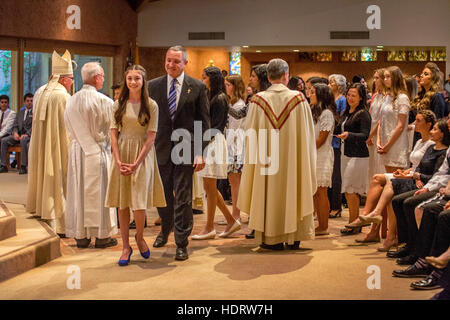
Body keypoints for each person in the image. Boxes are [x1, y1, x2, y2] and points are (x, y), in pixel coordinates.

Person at [237, 58, 316, 250]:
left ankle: (271, 237)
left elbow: (250, 137)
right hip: (293, 160)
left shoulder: (257, 101)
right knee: (294, 185)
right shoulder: (298, 99)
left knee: (267, 190)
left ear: (269, 76)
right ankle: (294, 235)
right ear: (285, 76)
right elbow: (307, 136)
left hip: (266, 163)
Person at [148, 45, 210, 261]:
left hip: (186, 149)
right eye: (168, 60)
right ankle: (166, 229)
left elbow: (203, 122)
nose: (171, 65)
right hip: (160, 149)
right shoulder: (152, 86)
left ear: (185, 63)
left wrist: (200, 152)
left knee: (183, 197)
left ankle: (181, 242)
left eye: (176, 61)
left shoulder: (198, 87)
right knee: (162, 195)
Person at [105, 65, 166, 266]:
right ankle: (125, 246)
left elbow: (151, 138)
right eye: (130, 78)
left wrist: (137, 163)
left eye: (137, 79)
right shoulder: (118, 104)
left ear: (143, 81)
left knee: (138, 204)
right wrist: (118, 158)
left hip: (142, 155)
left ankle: (139, 237)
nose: (133, 82)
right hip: (121, 153)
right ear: (126, 81)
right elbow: (113, 133)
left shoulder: (151, 105)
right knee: (122, 203)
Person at [346, 110, 437, 242]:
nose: (414, 123)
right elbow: (415, 165)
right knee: (376, 178)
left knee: (388, 185)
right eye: (415, 120)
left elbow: (425, 169)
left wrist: (409, 175)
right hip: (411, 174)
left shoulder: (431, 144)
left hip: (417, 179)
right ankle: (369, 216)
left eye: (418, 121)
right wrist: (404, 172)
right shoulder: (419, 142)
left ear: (428, 125)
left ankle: (376, 221)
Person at [64, 62, 118, 249]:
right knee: (101, 193)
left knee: (78, 191)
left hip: (78, 152)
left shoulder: (70, 100)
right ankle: (102, 237)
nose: (103, 78)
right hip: (98, 152)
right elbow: (112, 130)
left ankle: (81, 236)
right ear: (97, 78)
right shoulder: (105, 101)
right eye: (102, 75)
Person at [26, 50, 74, 236]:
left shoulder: (40, 91)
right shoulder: (63, 96)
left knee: (44, 174)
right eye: (70, 78)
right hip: (57, 147)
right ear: (63, 79)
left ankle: (44, 212)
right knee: (58, 178)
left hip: (41, 146)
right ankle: (59, 222)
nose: (72, 82)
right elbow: (67, 128)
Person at [192, 67, 240, 240]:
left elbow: (215, 126)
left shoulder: (219, 98)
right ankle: (229, 221)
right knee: (208, 187)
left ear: (212, 79)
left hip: (213, 141)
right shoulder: (211, 96)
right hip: (209, 141)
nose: (201, 80)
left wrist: (201, 148)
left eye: (204, 77)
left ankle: (210, 227)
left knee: (210, 187)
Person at [336, 83, 371, 235]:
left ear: (361, 97)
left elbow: (365, 135)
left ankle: (354, 223)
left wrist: (349, 135)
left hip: (358, 155)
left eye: (354, 95)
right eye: (348, 95)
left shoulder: (363, 113)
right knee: (348, 189)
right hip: (346, 153)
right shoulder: (348, 112)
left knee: (351, 189)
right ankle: (354, 222)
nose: (350, 98)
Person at [309, 83, 336, 235]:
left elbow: (322, 138)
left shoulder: (327, 113)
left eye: (313, 92)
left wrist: (308, 149)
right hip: (313, 154)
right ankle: (319, 223)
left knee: (321, 191)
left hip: (322, 155)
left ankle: (324, 226)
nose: (310, 95)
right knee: (315, 191)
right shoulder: (314, 112)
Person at [224, 74, 246, 222]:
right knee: (233, 182)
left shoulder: (239, 105)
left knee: (235, 182)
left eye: (228, 85)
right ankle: (235, 214)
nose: (226, 87)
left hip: (236, 147)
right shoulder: (233, 104)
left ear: (235, 86)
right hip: (231, 146)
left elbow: (235, 129)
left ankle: (236, 215)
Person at [327, 74, 347, 218]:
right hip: (328, 139)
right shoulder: (329, 99)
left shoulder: (342, 100)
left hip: (337, 140)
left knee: (336, 175)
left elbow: (341, 119)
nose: (330, 83)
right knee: (328, 174)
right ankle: (328, 205)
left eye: (332, 82)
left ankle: (336, 205)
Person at [1, 94, 32, 174]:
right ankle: (3, 165)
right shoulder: (20, 112)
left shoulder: (35, 112)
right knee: (4, 140)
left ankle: (23, 166)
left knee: (23, 140)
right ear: (24, 102)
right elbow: (15, 125)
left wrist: (27, 134)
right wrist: (15, 133)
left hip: (28, 136)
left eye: (31, 101)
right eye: (28, 101)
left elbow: (35, 127)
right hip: (17, 135)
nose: (29, 103)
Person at [366, 69, 386, 185]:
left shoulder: (386, 96)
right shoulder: (375, 96)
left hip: (379, 132)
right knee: (371, 165)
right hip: (371, 130)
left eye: (377, 78)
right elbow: (371, 116)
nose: (374, 80)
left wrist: (372, 134)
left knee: (379, 164)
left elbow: (381, 119)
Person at [0, 95, 17, 172]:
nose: (4, 104)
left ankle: (3, 165)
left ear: (8, 103)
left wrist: (0, 135)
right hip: (1, 134)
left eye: (5, 102)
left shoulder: (12, 113)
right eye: (2, 102)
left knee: (3, 140)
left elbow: (8, 128)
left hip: (8, 134)